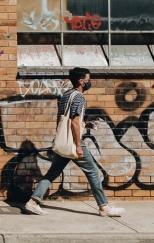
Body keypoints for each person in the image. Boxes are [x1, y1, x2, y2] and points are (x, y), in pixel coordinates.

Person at [24, 67, 125, 217]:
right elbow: (73, 122)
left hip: (63, 142)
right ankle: (104, 208)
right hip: (73, 142)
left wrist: (86, 124)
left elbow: (68, 120)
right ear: (81, 81)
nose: (89, 82)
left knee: (52, 173)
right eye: (88, 80)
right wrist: (78, 145)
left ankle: (33, 202)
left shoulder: (66, 95)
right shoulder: (78, 97)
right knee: (93, 173)